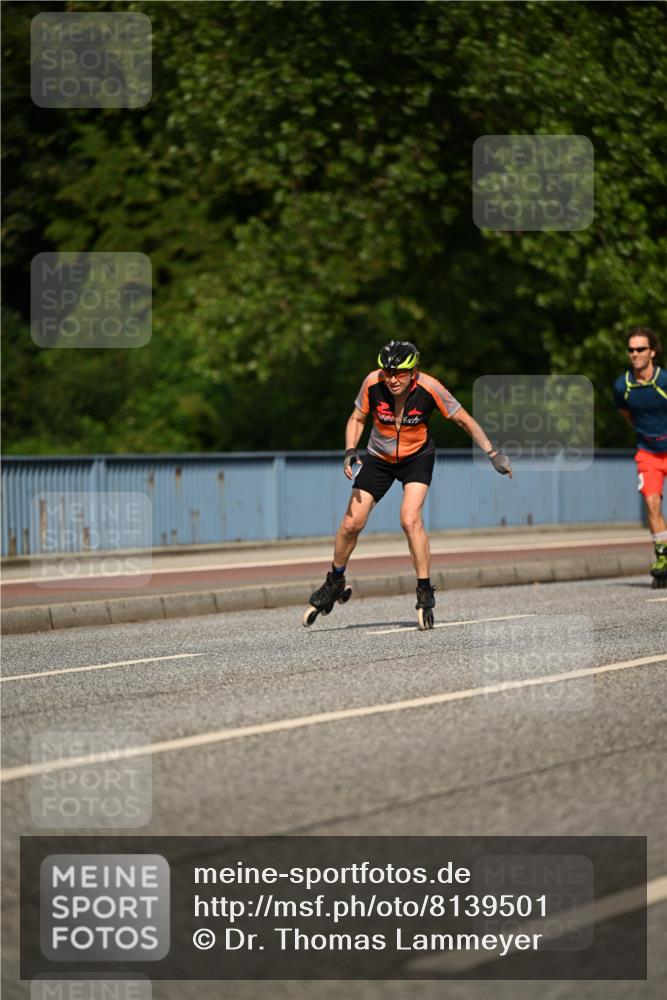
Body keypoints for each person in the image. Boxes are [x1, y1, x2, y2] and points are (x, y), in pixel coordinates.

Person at [304, 341, 512, 629]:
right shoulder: (372, 383)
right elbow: (357, 417)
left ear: (414, 371)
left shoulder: (431, 388)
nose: (392, 379)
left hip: (417, 457)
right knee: (352, 523)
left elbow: (463, 420)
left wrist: (492, 453)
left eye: (400, 373)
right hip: (379, 457)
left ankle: (424, 591)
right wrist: (351, 450)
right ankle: (335, 580)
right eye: (388, 372)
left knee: (409, 519)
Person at [613, 327, 667, 587]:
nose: (634, 354)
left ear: (652, 352)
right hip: (647, 452)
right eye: (631, 349)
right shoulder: (622, 386)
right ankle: (663, 558)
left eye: (640, 349)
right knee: (652, 503)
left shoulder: (664, 381)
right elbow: (628, 416)